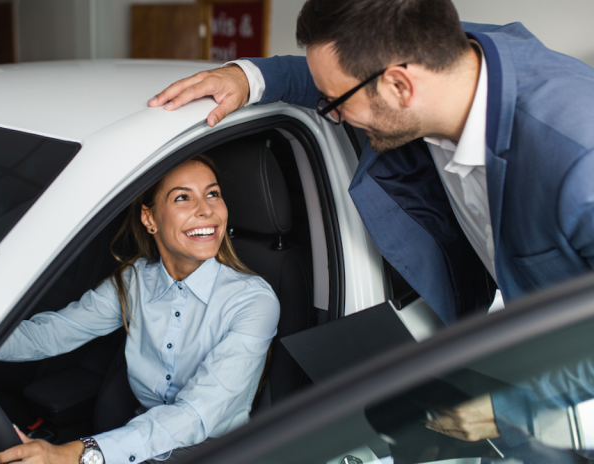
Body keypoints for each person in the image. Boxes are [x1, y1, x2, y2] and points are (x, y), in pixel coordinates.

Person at [148, 0, 594, 454]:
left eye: (335, 104)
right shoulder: (446, 56)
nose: (331, 115)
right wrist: (248, 78)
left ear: (400, 85)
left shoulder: (579, 163)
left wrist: (515, 406)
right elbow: (334, 77)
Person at [0, 155, 280, 464]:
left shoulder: (252, 302)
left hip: (217, 452)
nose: (206, 210)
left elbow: (193, 417)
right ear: (150, 219)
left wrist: (74, 454)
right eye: (183, 198)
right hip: (134, 445)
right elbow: (50, 334)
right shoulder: (135, 280)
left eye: (213, 194)